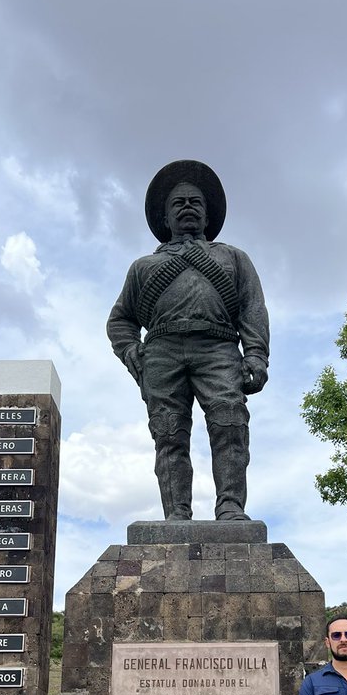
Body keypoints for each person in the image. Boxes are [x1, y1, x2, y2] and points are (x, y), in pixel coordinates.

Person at [106, 160, 269, 521]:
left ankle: (229, 505)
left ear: (208, 214)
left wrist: (256, 356)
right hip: (162, 352)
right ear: (165, 219)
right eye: (178, 204)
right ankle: (176, 513)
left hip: (219, 349)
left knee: (230, 423)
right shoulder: (143, 267)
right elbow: (120, 319)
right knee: (168, 433)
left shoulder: (234, 259)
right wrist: (134, 353)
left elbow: (252, 310)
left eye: (195, 202)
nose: (187, 208)